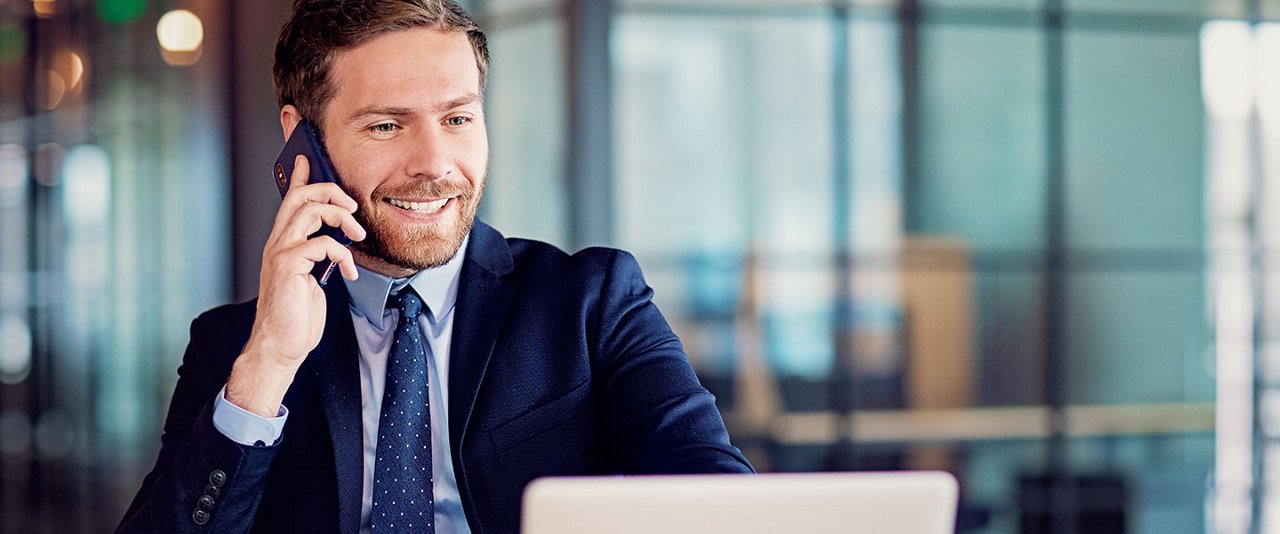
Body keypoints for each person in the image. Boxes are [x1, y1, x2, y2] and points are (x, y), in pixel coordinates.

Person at [116, 0, 752, 532]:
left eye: (457, 118)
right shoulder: (236, 347)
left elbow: (723, 506)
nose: (436, 163)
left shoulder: (592, 304)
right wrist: (268, 368)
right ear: (300, 139)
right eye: (388, 126)